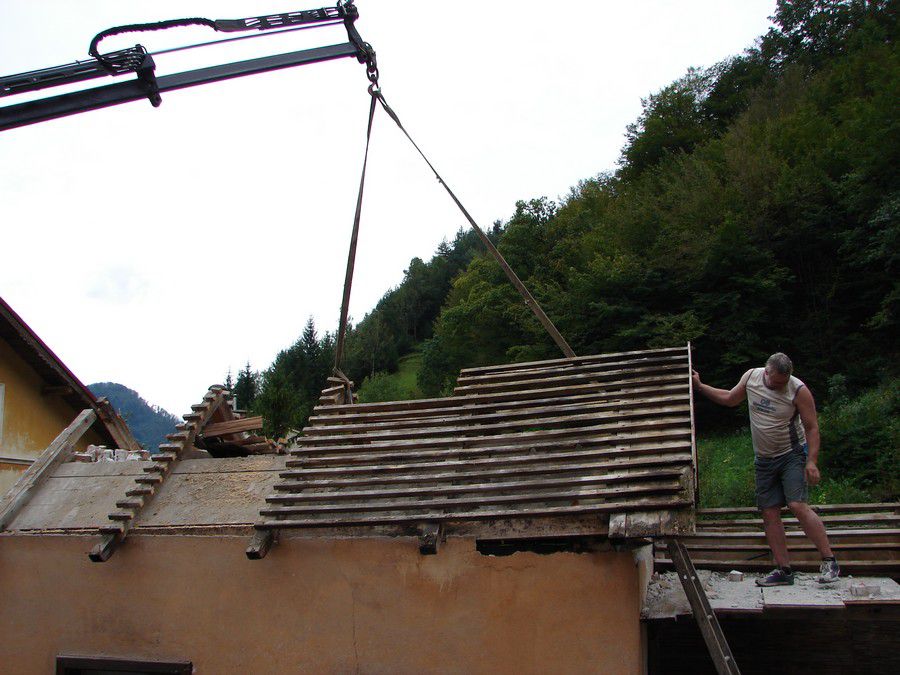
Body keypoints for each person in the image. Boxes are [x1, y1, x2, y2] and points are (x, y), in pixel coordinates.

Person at [692, 352, 840, 586]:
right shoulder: (752, 377)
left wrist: (811, 460)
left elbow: (812, 427)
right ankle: (784, 570)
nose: (778, 386)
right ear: (767, 371)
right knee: (769, 512)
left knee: (796, 504)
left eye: (782, 382)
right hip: (764, 459)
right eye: (774, 382)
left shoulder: (798, 390)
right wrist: (700, 386)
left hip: (791, 454)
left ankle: (829, 560)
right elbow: (730, 398)